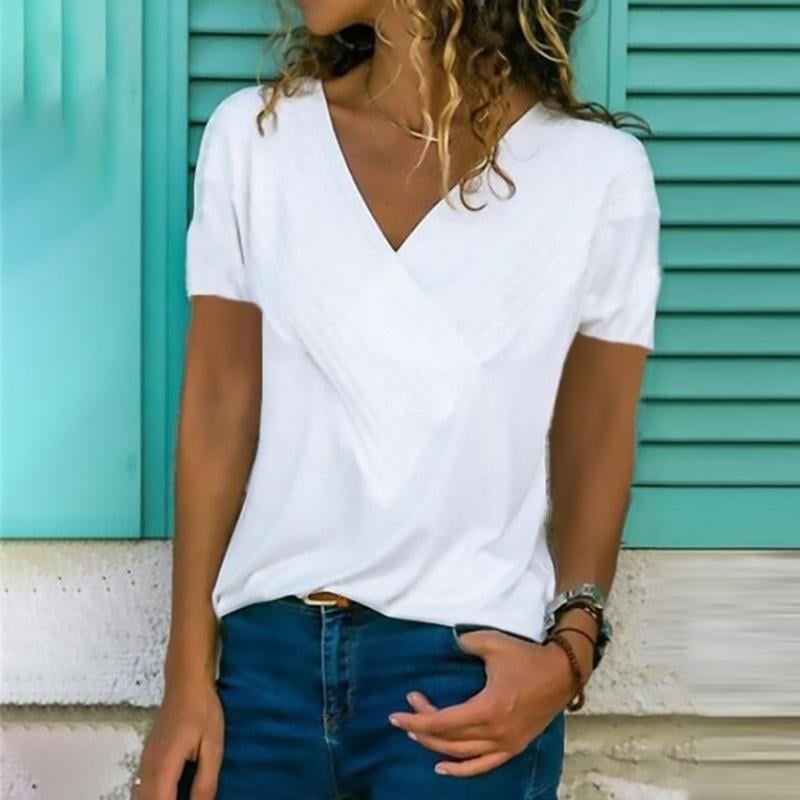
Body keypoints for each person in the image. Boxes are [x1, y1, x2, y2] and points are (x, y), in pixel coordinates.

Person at [132, 1, 662, 798]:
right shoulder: (256, 139)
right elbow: (216, 413)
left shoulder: (598, 175)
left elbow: (596, 432)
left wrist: (568, 657)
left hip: (464, 681)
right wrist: (185, 677)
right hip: (260, 676)